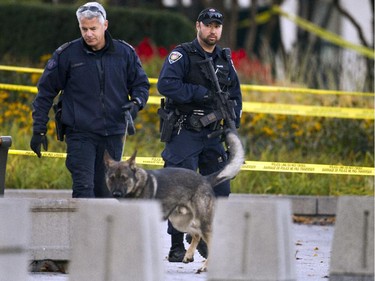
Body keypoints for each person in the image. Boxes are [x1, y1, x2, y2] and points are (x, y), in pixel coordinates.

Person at [30, 2, 150, 198]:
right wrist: (39, 129)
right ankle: (83, 230)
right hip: (80, 134)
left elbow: (141, 85)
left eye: (93, 28)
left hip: (113, 133)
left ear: (105, 25)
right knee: (84, 189)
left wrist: (137, 103)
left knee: (107, 192)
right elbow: (45, 92)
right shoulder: (67, 54)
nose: (88, 34)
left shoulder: (124, 53)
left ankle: (102, 230)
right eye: (84, 29)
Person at [157, 7, 242, 262]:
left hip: (213, 135)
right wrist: (200, 93)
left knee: (221, 189)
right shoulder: (182, 54)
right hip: (186, 130)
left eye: (217, 26)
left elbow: (236, 97)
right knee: (178, 189)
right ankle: (175, 245)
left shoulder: (225, 60)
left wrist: (231, 124)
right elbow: (166, 84)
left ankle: (206, 240)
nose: (212, 30)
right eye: (208, 25)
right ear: (198, 26)